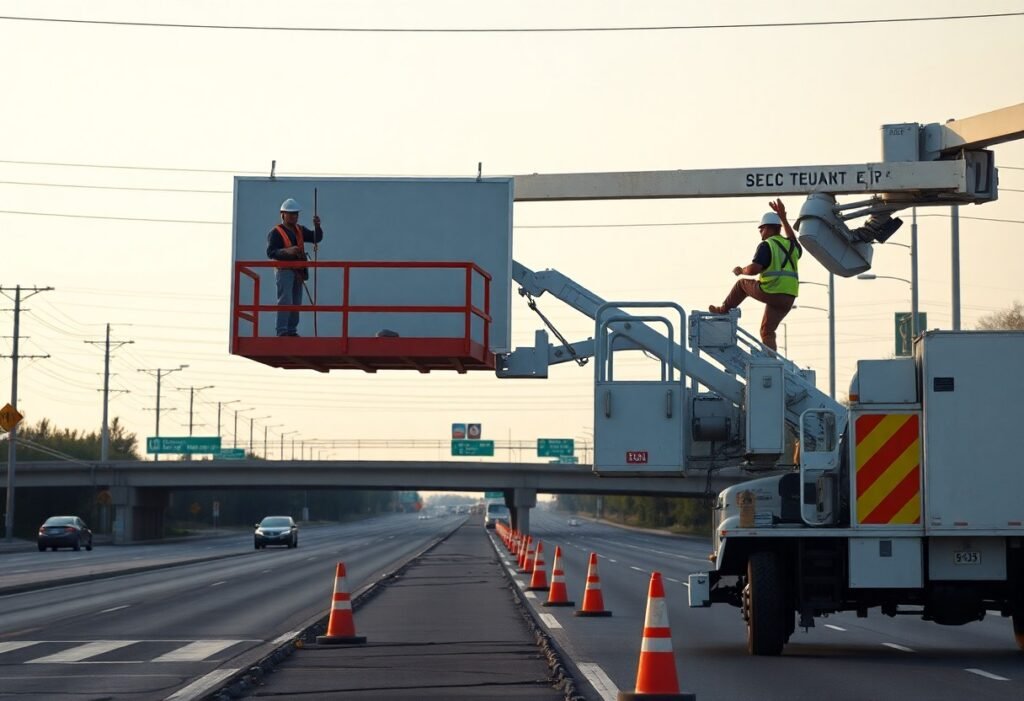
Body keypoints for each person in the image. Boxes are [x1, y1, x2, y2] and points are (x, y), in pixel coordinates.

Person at [709, 199, 800, 351]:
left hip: (771, 291)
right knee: (767, 331)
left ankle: (723, 310)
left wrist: (741, 270)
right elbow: (792, 237)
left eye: (761, 229)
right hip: (788, 297)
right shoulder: (792, 246)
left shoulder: (767, 245)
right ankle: (771, 364)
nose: (760, 232)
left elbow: (754, 269)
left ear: (768, 228)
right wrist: (783, 218)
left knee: (741, 285)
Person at [266, 198, 324, 337]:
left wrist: (317, 226)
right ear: (283, 214)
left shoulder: (300, 230)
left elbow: (316, 237)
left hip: (298, 271)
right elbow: (271, 252)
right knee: (286, 300)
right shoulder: (276, 232)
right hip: (284, 270)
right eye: (291, 214)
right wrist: (286, 251)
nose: (294, 216)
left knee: (296, 302)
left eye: (296, 214)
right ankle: (282, 331)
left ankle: (291, 331)